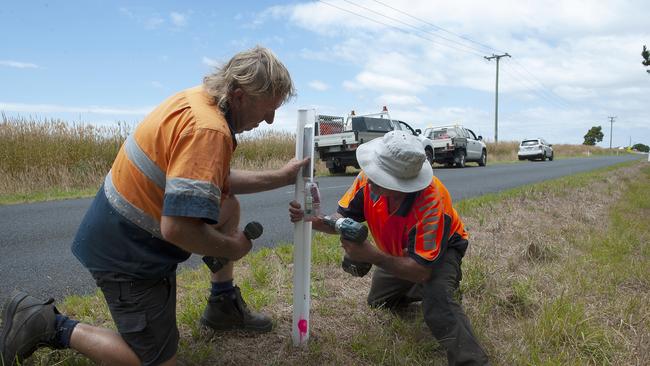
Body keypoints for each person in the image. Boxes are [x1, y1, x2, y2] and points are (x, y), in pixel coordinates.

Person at [1, 46, 309, 366]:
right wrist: (232, 249)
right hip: (128, 254)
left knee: (226, 205)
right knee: (155, 362)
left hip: (120, 228)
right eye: (267, 109)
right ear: (240, 95)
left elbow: (214, 180)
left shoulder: (199, 100)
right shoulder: (209, 130)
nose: (271, 120)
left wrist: (282, 177)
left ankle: (222, 305)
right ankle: (46, 323)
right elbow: (177, 228)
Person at [289, 131, 489, 365]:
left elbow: (421, 270)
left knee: (438, 302)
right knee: (379, 301)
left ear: (403, 185)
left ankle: (471, 357)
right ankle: (428, 290)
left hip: (440, 253)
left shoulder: (432, 203)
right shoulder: (367, 181)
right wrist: (314, 220)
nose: (370, 180)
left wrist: (373, 256)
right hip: (397, 252)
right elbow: (341, 218)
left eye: (380, 178)